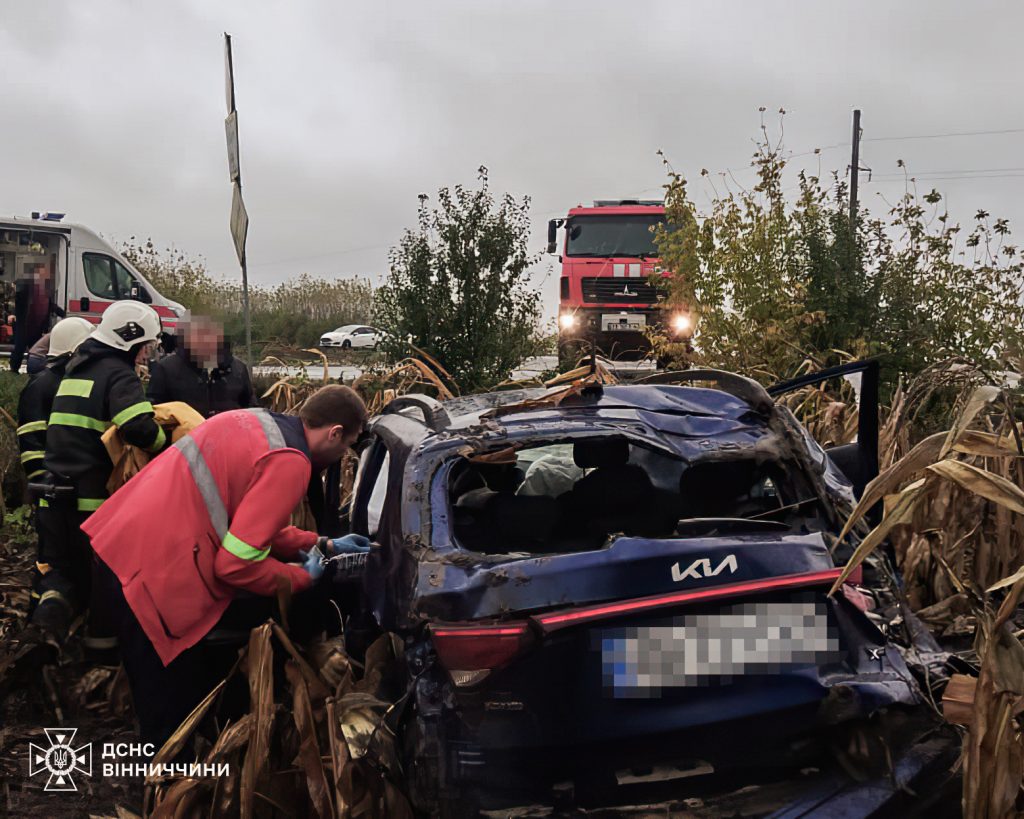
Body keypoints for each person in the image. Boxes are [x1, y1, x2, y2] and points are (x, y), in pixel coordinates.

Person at [83, 385, 370, 747]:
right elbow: (235, 564)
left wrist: (320, 543)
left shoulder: (255, 422)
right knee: (170, 722)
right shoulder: (292, 462)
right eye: (346, 446)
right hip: (155, 580)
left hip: (122, 547)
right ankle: (164, 789)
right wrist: (299, 579)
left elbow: (254, 523)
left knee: (161, 697)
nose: (342, 454)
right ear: (335, 433)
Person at [35, 302, 166, 646]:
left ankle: (45, 635)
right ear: (130, 339)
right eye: (145, 346)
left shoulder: (76, 370)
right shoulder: (117, 373)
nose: (145, 354)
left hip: (52, 494)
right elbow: (138, 427)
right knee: (104, 582)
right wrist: (166, 441)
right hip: (90, 501)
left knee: (62, 574)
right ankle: (101, 654)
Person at [17, 318, 94, 630]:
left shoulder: (64, 382)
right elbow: (31, 442)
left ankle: (60, 620)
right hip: (51, 494)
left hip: (65, 491)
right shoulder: (44, 385)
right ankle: (40, 629)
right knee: (50, 562)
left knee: (64, 561)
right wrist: (44, 480)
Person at [147, 314, 256, 417]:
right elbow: (155, 411)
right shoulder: (167, 369)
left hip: (228, 434)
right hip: (185, 435)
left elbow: (252, 409)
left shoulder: (237, 369)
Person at [11, 264, 65, 372]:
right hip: (25, 322)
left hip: (37, 325)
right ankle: (14, 369)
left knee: (35, 349)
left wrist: (62, 314)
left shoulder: (45, 289)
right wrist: (13, 314)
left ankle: (32, 370)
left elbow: (50, 305)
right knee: (19, 347)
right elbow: (17, 300)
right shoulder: (25, 285)